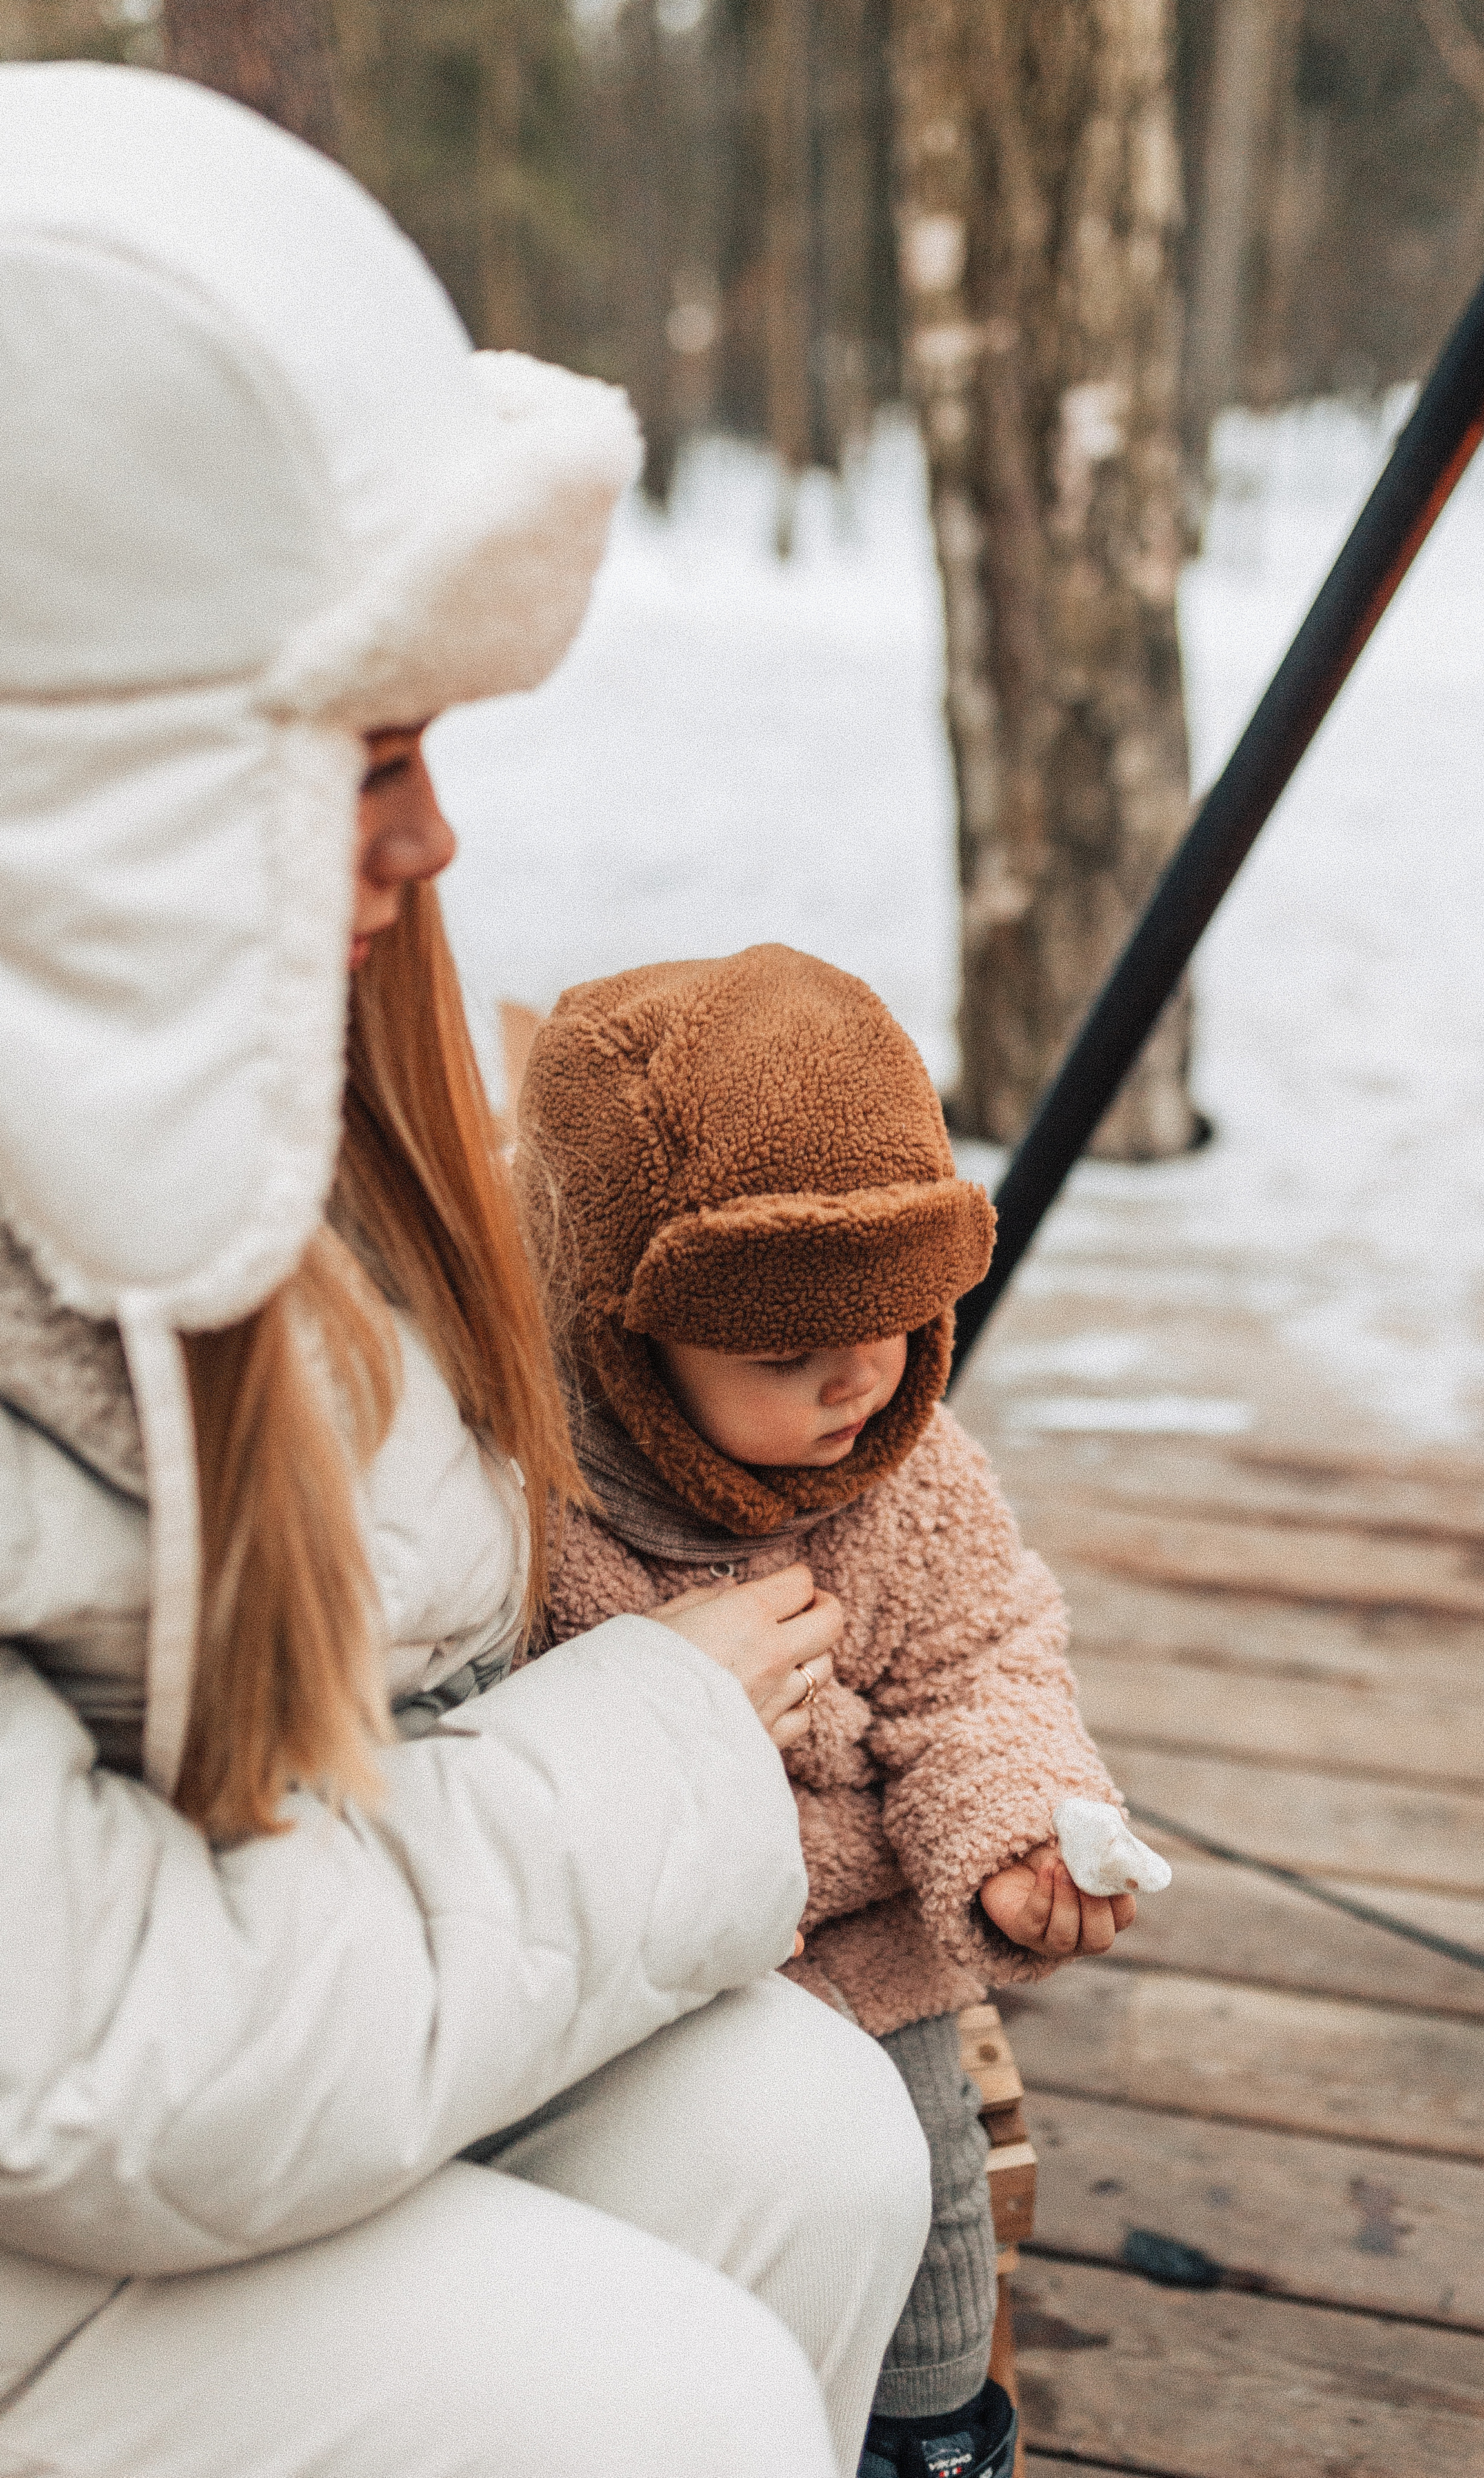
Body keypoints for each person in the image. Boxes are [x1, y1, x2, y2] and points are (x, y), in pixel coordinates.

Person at [0, 64, 930, 2478]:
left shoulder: (264, 1099)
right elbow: (99, 2049)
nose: (435, 831)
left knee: (804, 2142)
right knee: (667, 2407)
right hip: (74, 2133)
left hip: (186, 2097)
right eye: (358, 750)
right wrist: (668, 1750)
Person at [512, 944, 1139, 2478]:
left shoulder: (907, 1479)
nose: (859, 1381)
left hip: (850, 1954)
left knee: (924, 2197)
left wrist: (1006, 1834)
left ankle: (922, 2444)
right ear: (625, 1344)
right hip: (615, 1976)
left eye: (894, 1320)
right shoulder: (530, 1508)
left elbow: (983, 1663)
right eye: (785, 1354)